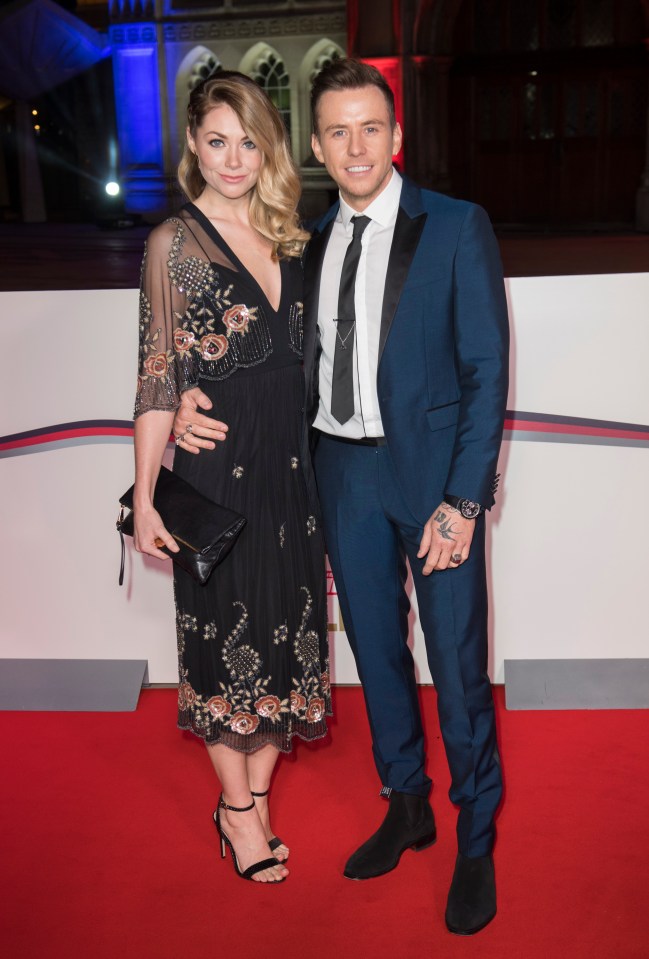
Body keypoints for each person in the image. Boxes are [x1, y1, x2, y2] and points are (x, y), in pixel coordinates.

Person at [174, 59, 509, 933]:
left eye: (371, 128)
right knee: (376, 655)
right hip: (341, 475)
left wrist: (464, 501)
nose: (355, 145)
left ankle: (476, 835)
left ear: (396, 137)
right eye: (337, 131)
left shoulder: (457, 227)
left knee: (458, 663)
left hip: (434, 483)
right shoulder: (306, 242)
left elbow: (484, 372)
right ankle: (407, 802)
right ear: (317, 146)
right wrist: (183, 399)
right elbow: (258, 357)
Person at [132, 71, 331, 885]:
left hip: (294, 472)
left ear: (270, 148)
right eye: (217, 140)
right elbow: (154, 374)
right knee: (225, 646)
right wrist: (145, 494)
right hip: (221, 475)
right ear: (193, 147)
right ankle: (239, 814)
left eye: (249, 141)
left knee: (286, 644)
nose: (233, 158)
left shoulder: (295, 235)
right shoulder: (173, 245)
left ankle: (250, 795)